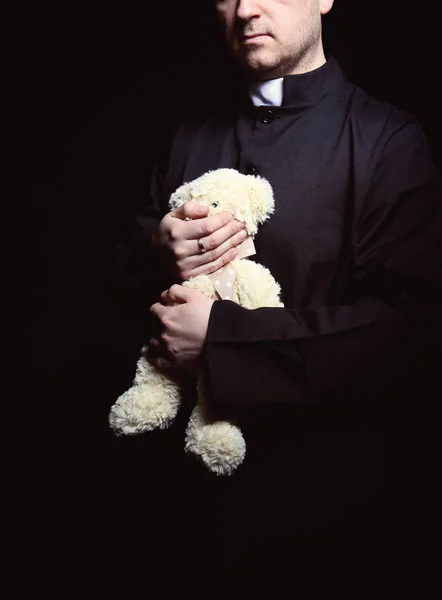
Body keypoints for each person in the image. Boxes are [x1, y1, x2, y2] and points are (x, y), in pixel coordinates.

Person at [111, 0, 441, 588]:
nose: (246, 10)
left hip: (325, 514)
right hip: (176, 523)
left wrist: (223, 343)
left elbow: (410, 331)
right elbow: (97, 294)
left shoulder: (387, 139)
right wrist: (154, 254)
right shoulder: (185, 132)